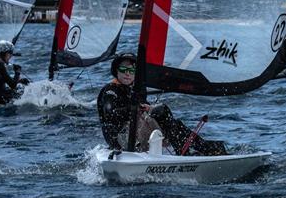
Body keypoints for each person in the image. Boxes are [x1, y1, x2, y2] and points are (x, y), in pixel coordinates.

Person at [97, 53, 227, 156]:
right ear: (116, 71)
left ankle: (195, 149)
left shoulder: (134, 89)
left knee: (165, 114)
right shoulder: (111, 90)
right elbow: (111, 114)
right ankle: (195, 151)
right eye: (123, 69)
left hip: (134, 135)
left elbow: (144, 108)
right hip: (122, 140)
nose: (127, 73)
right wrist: (135, 108)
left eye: (132, 70)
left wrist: (145, 107)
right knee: (161, 113)